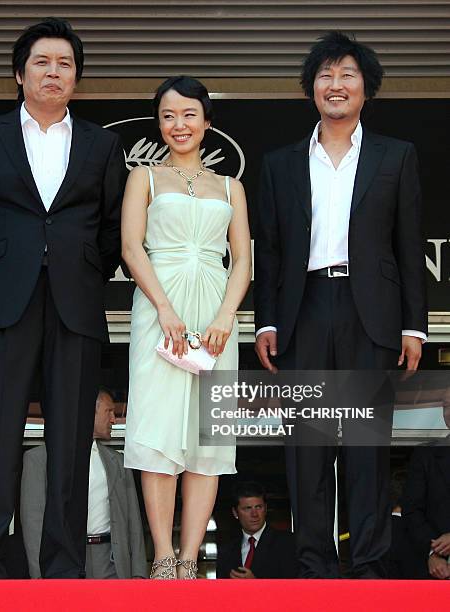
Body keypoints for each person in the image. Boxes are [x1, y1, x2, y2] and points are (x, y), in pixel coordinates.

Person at [0, 18, 126, 578]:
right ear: (20, 74)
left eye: (65, 64)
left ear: (77, 78)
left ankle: (64, 567)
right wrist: (1, 270)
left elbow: (113, 230)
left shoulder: (103, 143)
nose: (54, 72)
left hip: (75, 306)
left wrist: (79, 272)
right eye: (43, 62)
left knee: (71, 445)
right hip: (6, 304)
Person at [254, 31, 427, 578]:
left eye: (347, 75)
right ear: (311, 90)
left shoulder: (396, 157)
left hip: (369, 311)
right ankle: (314, 567)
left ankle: (370, 565)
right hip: (304, 311)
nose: (336, 84)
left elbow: (408, 245)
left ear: (365, 90)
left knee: (366, 451)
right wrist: (267, 321)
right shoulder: (280, 163)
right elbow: (273, 252)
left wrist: (414, 328)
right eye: (326, 75)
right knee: (307, 451)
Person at [121, 76, 251, 579]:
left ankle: (192, 557)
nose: (179, 124)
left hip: (216, 316)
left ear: (207, 122)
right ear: (160, 123)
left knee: (208, 437)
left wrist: (225, 316)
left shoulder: (231, 187)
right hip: (160, 311)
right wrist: (165, 309)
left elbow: (242, 258)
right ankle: (163, 556)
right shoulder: (144, 178)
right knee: (157, 430)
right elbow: (132, 248)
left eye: (189, 114)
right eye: (169, 116)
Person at [20, 388, 147, 579]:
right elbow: (33, 523)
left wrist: (139, 574)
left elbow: (133, 522)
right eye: (108, 411)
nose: (114, 419)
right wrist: (39, 578)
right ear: (89, 411)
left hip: (112, 561)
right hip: (64, 559)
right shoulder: (39, 459)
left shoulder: (118, 463)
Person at [402, 407, 450, 580]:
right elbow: (411, 510)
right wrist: (432, 553)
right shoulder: (426, 455)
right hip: (437, 570)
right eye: (447, 406)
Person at [216, 481, 297, 579]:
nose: (254, 514)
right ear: (235, 513)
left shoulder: (287, 543)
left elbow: (293, 587)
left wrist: (256, 584)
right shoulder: (226, 551)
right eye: (247, 508)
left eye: (258, 507)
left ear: (265, 509)